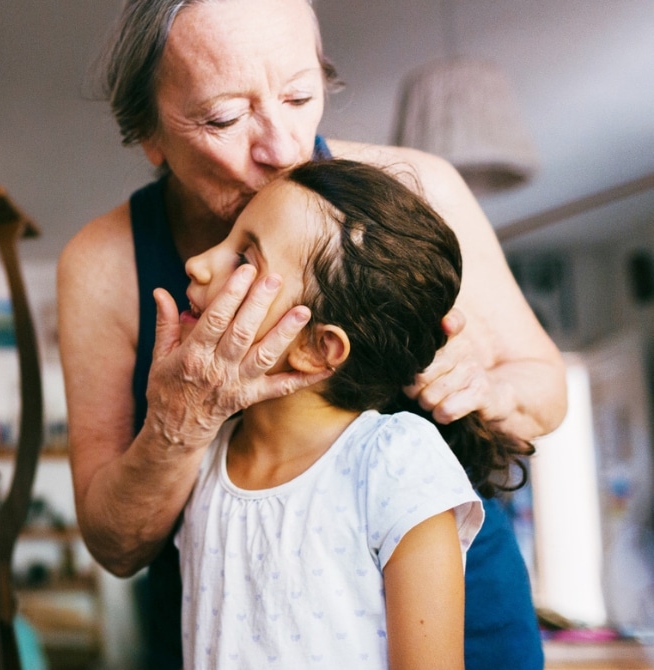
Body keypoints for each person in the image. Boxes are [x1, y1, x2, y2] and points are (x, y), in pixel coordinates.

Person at [56, 0, 566, 667]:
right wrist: (177, 427)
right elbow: (115, 543)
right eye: (225, 117)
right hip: (228, 623)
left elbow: (546, 390)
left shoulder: (422, 191)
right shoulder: (99, 267)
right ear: (150, 134)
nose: (283, 149)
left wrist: (483, 381)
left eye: (300, 96)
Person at [175, 158, 541, 668]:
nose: (197, 262)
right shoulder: (203, 454)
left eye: (243, 259)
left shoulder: (397, 461)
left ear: (318, 348)